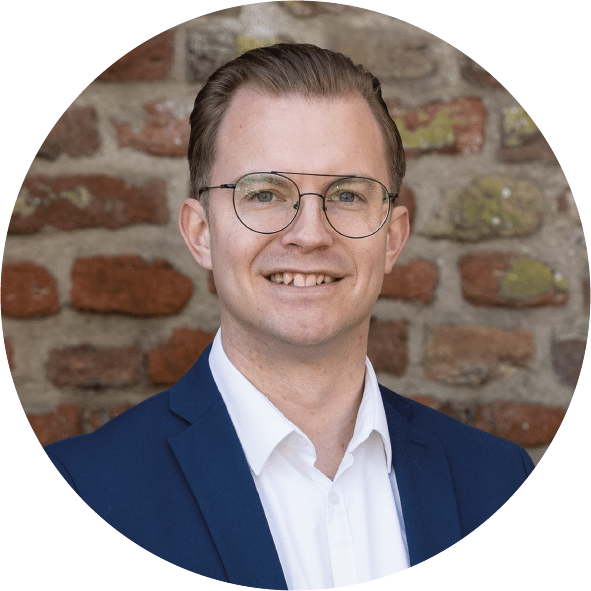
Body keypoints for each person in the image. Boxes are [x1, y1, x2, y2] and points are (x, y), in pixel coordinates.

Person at [45, 44, 534, 589]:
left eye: (347, 195)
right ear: (201, 234)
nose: (309, 234)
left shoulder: (501, 485)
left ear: (392, 238)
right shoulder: (77, 495)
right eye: (264, 193)